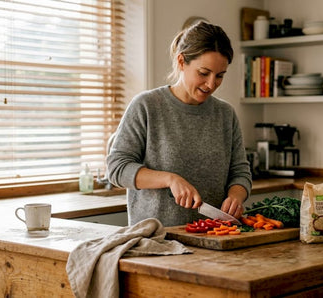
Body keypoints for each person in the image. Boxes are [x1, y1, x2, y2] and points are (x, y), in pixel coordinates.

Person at [106, 21, 252, 227]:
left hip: (215, 237)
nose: (211, 84)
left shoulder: (225, 114)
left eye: (219, 76)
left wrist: (236, 196)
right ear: (182, 62)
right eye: (203, 73)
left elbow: (240, 172)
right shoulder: (147, 106)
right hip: (156, 239)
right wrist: (169, 179)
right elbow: (116, 169)